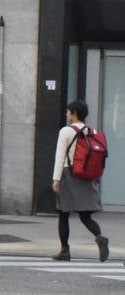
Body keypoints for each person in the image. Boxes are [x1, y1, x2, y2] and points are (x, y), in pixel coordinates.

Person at [52, 99, 111, 262]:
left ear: (74, 114)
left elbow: (60, 156)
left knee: (63, 214)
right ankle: (100, 237)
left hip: (68, 175)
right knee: (85, 217)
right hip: (85, 177)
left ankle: (64, 251)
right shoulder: (91, 131)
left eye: (68, 111)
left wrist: (56, 179)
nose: (67, 114)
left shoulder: (65, 131)